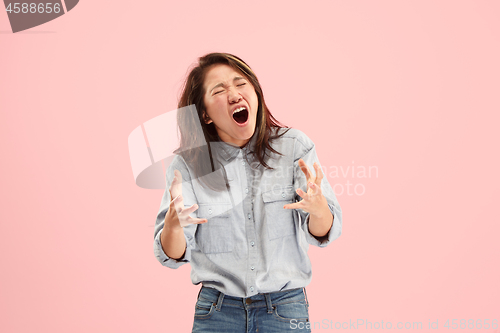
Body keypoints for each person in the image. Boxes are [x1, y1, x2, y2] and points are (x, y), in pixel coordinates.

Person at [153, 52, 342, 332]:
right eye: (219, 90)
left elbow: (325, 231)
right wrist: (173, 227)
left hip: (285, 308)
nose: (234, 94)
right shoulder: (189, 165)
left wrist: (318, 209)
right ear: (204, 114)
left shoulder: (294, 147)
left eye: (240, 84)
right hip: (217, 311)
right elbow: (172, 254)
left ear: (255, 93)